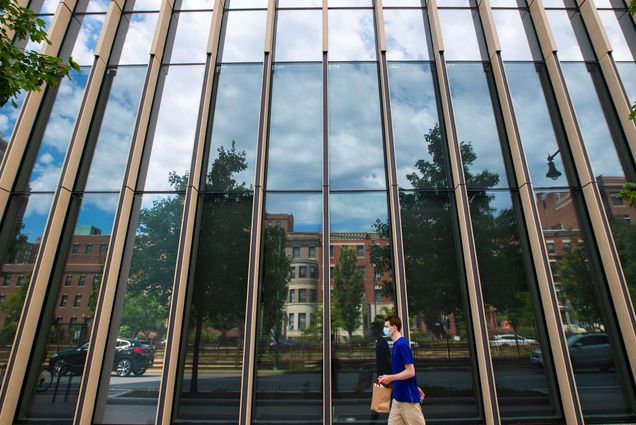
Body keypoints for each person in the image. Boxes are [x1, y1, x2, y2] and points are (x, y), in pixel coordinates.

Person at [378, 315, 425, 425]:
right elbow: (403, 371)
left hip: (407, 400)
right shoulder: (396, 345)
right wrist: (414, 385)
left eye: (386, 326)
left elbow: (410, 371)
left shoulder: (402, 345)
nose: (384, 329)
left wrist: (389, 378)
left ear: (394, 328)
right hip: (398, 398)